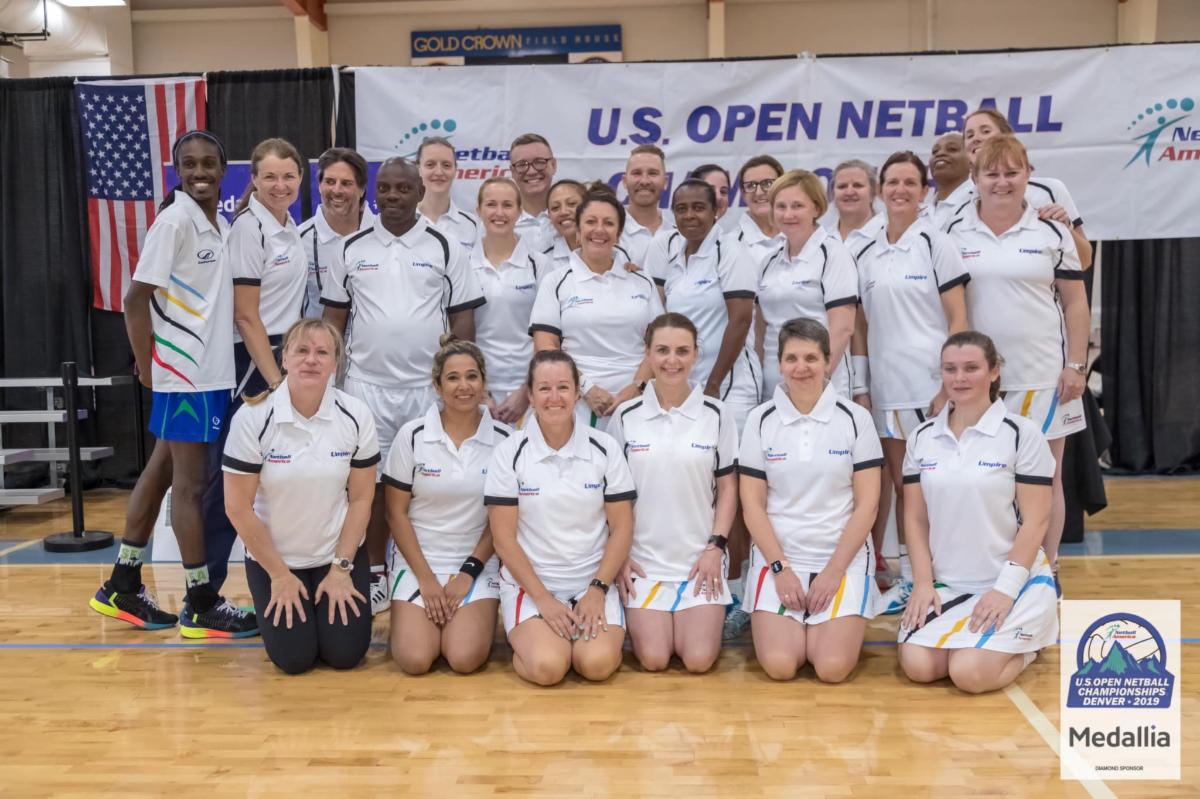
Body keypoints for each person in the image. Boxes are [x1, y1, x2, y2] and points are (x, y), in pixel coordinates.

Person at [89, 130, 257, 638]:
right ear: (178, 170)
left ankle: (122, 583)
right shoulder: (174, 221)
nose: (199, 171)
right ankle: (200, 600)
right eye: (190, 164)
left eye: (208, 163)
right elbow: (134, 299)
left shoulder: (213, 222)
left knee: (162, 469)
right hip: (186, 375)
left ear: (223, 169)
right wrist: (148, 367)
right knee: (191, 486)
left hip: (203, 373)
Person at [322, 156, 486, 614]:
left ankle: (423, 568)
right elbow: (333, 321)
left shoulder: (446, 245)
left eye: (403, 188)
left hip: (424, 390)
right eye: (385, 188)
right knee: (370, 487)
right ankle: (376, 572)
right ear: (374, 193)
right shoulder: (350, 248)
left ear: (419, 192)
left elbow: (463, 321)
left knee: (424, 485)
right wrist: (330, 390)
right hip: (364, 388)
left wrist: (457, 384)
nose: (393, 196)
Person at [946, 134, 1088, 590]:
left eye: (1012, 172)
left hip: (1044, 376)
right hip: (978, 381)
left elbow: (1075, 303)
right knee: (985, 479)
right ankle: (993, 573)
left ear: (1029, 174)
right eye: (992, 173)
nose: (1002, 182)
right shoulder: (953, 232)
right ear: (974, 177)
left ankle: (1045, 570)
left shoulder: (1052, 230)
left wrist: (1076, 365)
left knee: (1044, 478)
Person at [898, 331, 1057, 694]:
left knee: (969, 674)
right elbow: (915, 519)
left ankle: (1030, 645)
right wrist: (922, 583)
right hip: (947, 585)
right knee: (919, 667)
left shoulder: (1021, 434)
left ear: (994, 371)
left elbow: (1037, 520)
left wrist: (1005, 590)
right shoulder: (922, 437)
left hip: (1007, 582)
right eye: (950, 369)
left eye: (971, 368)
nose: (959, 378)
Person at [222, 319, 378, 674]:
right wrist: (279, 575)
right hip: (276, 562)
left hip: (336, 557)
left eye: (322, 352)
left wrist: (341, 568)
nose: (311, 360)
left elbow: (361, 500)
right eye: (302, 351)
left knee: (346, 655)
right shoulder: (252, 417)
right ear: (284, 359)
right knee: (294, 661)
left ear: (335, 363)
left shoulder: (356, 414)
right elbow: (237, 507)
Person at [851, 151, 970, 615]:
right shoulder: (863, 249)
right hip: (887, 392)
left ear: (924, 191)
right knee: (904, 489)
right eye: (892, 182)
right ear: (880, 190)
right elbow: (859, 326)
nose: (899, 190)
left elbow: (958, 318)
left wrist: (949, 385)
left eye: (909, 182)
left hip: (931, 390)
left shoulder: (936, 243)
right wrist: (862, 386)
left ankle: (950, 578)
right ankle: (909, 579)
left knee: (937, 491)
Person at [739, 318, 883, 682]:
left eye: (811, 358)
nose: (801, 367)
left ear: (828, 361)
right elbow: (752, 506)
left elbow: (868, 505)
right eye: (791, 358)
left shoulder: (856, 419)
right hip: (779, 559)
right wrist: (780, 569)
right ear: (779, 363)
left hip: (842, 560)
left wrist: (834, 572)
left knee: (832, 668)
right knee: (780, 665)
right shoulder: (759, 420)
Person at [484, 350, 636, 686]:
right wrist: (543, 599)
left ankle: (570, 641)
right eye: (544, 388)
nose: (554, 397)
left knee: (596, 665)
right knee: (549, 667)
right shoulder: (509, 453)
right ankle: (537, 643)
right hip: (531, 586)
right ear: (530, 395)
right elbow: (503, 540)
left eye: (563, 387)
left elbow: (622, 527)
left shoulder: (605, 447)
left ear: (578, 393)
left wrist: (597, 589)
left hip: (591, 582)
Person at [203, 138, 308, 593]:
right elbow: (245, 316)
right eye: (270, 177)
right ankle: (203, 593)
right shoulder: (250, 228)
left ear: (301, 178)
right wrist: (276, 381)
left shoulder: (288, 224)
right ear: (254, 180)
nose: (280, 185)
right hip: (254, 360)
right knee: (229, 479)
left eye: (288, 176)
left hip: (284, 352)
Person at [607, 314, 738, 673]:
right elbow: (612, 497)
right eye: (662, 350)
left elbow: (728, 487)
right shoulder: (625, 416)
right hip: (643, 564)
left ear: (696, 354)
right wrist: (619, 555)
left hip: (700, 561)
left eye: (682, 351)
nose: (672, 360)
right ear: (647, 353)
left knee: (698, 660)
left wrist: (715, 548)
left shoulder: (717, 414)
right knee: (654, 659)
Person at [384, 336, 510, 675]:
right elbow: (395, 513)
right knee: (415, 660)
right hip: (418, 562)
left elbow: (501, 521)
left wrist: (468, 573)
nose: (463, 386)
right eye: (453, 378)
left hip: (476, 564)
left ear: (483, 382)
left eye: (472, 376)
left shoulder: (506, 440)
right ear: (437, 386)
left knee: (464, 658)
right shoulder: (411, 436)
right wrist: (426, 579)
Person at [529, 185, 662, 427]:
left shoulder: (642, 281)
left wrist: (637, 387)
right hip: (576, 401)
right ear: (578, 231)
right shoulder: (556, 281)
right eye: (591, 222)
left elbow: (659, 345)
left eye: (608, 223)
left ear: (619, 234)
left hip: (636, 402)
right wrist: (586, 387)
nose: (599, 230)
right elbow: (545, 347)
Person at [643, 178, 759, 428]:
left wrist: (714, 384)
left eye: (698, 207)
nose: (689, 215)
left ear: (715, 211)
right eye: (681, 209)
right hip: (683, 383)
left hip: (730, 385)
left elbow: (741, 320)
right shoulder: (672, 254)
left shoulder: (731, 251)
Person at [755, 170, 858, 399]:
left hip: (820, 386)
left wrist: (817, 380)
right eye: (781, 206)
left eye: (797, 206)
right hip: (774, 387)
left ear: (816, 208)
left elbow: (842, 328)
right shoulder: (768, 262)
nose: (788, 214)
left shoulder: (834, 254)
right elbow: (761, 330)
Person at [960, 108, 1093, 268]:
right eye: (969, 135)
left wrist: (1066, 229)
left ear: (1006, 136)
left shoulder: (1050, 190)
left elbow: (1084, 261)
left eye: (985, 131)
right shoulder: (954, 202)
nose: (976, 138)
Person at [471, 177, 550, 425]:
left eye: (507, 205)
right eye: (491, 204)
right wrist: (478, 391)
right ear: (478, 210)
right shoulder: (463, 264)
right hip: (477, 390)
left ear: (519, 211)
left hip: (529, 390)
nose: (499, 213)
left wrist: (527, 390)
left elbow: (549, 334)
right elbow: (457, 331)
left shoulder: (540, 264)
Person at [299, 148, 375, 319]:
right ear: (320, 186)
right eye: (330, 181)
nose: (337, 190)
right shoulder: (299, 239)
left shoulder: (384, 234)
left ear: (362, 189)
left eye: (346, 183)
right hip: (319, 335)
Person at [416, 136, 481, 253]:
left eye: (446, 165)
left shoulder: (473, 225)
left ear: (455, 170)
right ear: (419, 169)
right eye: (430, 164)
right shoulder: (402, 221)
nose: (439, 172)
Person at [619, 144, 674, 266]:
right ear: (624, 181)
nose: (644, 181)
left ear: (665, 182)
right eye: (637, 173)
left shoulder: (679, 232)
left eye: (653, 173)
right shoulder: (610, 230)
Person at [733, 155, 785, 269]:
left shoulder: (802, 240)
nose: (759, 192)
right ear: (743, 193)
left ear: (782, 187)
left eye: (768, 183)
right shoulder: (728, 245)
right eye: (750, 185)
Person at [509, 133, 557, 251]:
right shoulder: (500, 222)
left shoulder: (575, 218)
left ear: (553, 165)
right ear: (512, 172)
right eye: (521, 165)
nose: (531, 171)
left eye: (539, 162)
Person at [823, 159, 884, 253]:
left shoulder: (889, 236)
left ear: (873, 193)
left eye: (857, 185)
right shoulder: (822, 240)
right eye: (842, 186)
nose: (849, 192)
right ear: (833, 195)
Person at [923, 132, 972, 230]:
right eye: (935, 151)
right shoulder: (922, 213)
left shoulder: (982, 204)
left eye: (952, 149)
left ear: (971, 160)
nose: (940, 153)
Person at [541, 179, 588, 270]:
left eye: (571, 204)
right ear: (549, 215)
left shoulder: (612, 253)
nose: (563, 212)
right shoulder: (543, 261)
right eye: (555, 207)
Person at [690, 163, 735, 233]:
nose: (718, 197)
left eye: (723, 191)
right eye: (710, 190)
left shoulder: (730, 239)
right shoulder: (674, 238)